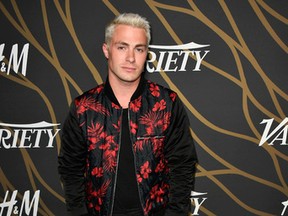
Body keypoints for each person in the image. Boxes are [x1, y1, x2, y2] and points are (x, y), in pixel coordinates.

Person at [58, 13, 198, 216]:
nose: (131, 58)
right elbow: (70, 167)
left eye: (139, 49)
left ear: (146, 53)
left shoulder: (166, 103)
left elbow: (183, 164)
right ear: (107, 50)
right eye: (122, 47)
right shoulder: (84, 108)